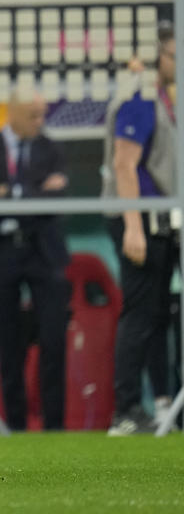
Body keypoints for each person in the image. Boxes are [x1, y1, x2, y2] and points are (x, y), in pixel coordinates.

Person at [0, 86, 70, 431]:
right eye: (33, 115)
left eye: (42, 114)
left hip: (44, 251)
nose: (40, 121)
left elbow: (59, 196)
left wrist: (11, 193)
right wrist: (34, 191)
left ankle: (54, 427)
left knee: (53, 340)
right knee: (8, 346)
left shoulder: (52, 148)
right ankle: (15, 426)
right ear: (12, 114)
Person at [103, 21, 179, 435]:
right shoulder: (138, 98)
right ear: (156, 58)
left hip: (162, 218)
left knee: (154, 313)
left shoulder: (163, 100)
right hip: (139, 218)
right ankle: (127, 409)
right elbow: (124, 165)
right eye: (173, 55)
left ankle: (157, 403)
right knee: (140, 314)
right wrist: (133, 226)